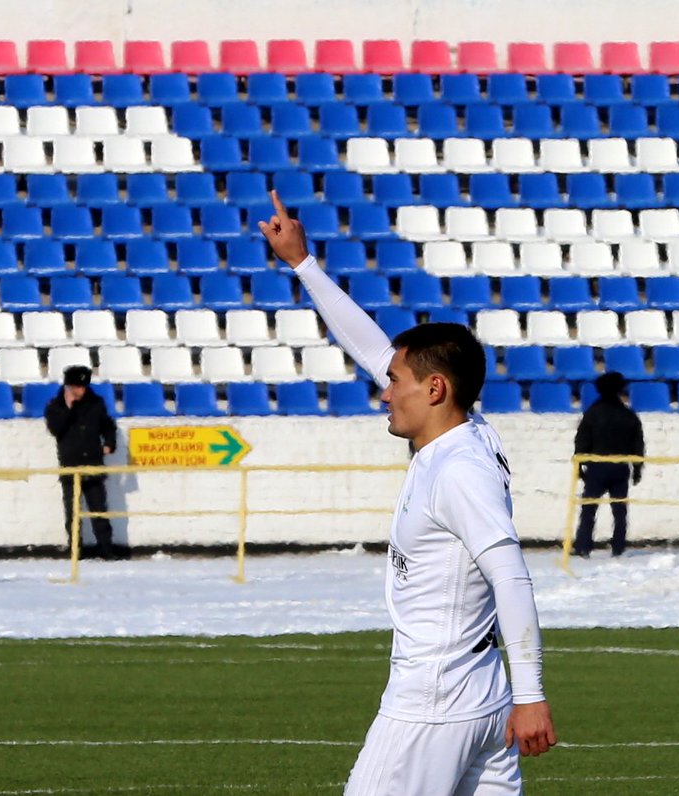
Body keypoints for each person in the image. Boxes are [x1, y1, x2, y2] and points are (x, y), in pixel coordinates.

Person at [259, 191, 555, 795]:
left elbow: (511, 577)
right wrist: (302, 264)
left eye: (395, 383)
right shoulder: (467, 430)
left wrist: (532, 696)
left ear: (436, 389)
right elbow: (372, 347)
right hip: (481, 698)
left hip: (434, 704)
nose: (384, 392)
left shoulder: (458, 471)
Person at [44, 365, 117, 560]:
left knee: (99, 510)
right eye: (76, 387)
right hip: (71, 465)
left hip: (93, 464)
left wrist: (109, 443)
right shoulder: (55, 406)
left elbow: (108, 426)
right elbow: (55, 429)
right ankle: (75, 549)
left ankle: (106, 548)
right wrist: (68, 409)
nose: (80, 391)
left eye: (82, 387)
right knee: (73, 513)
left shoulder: (96, 403)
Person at [572, 371, 644, 557]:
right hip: (620, 466)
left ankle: (583, 546)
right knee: (619, 510)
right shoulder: (628, 415)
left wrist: (580, 465)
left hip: (597, 466)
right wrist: (637, 468)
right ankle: (618, 547)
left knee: (589, 508)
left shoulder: (592, 413)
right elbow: (637, 444)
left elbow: (582, 440)